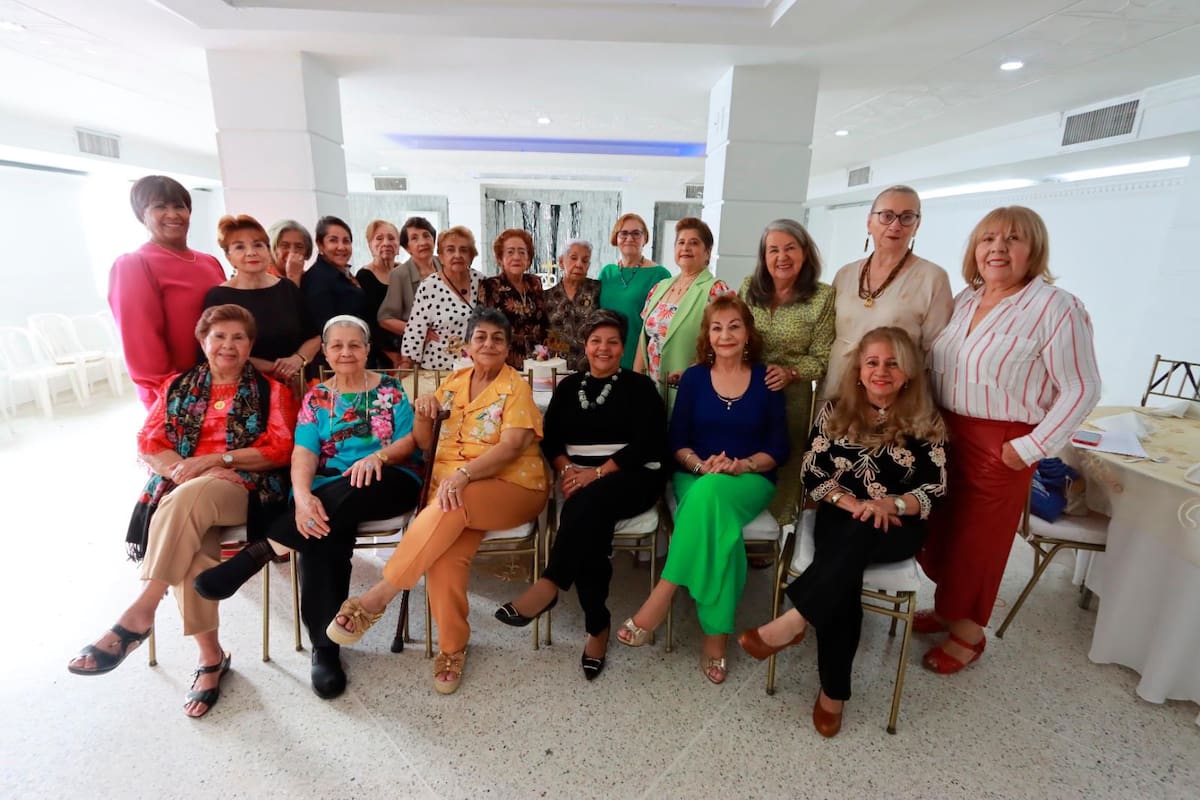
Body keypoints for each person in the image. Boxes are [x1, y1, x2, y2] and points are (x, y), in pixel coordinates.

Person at [66, 304, 294, 717]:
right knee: (195, 560)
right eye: (219, 336)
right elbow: (150, 440)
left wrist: (215, 462)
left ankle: (141, 611)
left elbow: (279, 449)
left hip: (243, 488)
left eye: (238, 337)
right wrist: (179, 469)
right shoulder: (177, 386)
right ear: (202, 341)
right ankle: (211, 660)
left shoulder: (271, 391)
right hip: (181, 492)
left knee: (191, 496)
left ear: (250, 345)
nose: (228, 345)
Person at [192, 315, 424, 699]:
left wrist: (377, 458)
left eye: (354, 345)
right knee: (320, 527)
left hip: (390, 479)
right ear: (327, 353)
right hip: (330, 492)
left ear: (367, 350)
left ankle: (263, 550)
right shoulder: (316, 398)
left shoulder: (392, 391)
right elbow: (304, 452)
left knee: (345, 492)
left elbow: (409, 443)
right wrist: (301, 497)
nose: (346, 352)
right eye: (337, 345)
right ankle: (325, 646)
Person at [324, 308, 549, 694]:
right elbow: (426, 444)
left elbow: (513, 446)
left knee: (450, 505)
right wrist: (425, 413)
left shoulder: (516, 387)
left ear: (509, 348)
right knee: (444, 557)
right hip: (456, 493)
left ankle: (377, 598)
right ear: (466, 346)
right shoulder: (453, 383)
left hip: (513, 487)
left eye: (498, 338)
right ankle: (452, 647)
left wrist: (463, 474)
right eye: (481, 337)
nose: (489, 344)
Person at [738, 327, 947, 737]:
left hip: (899, 524)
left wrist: (892, 504)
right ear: (858, 370)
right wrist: (852, 503)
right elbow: (811, 471)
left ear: (908, 373)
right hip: (841, 513)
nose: (881, 371)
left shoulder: (926, 420)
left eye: (892, 363)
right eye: (872, 362)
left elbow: (935, 487)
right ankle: (832, 694)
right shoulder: (834, 410)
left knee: (849, 550)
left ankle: (795, 620)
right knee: (844, 570)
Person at [919, 205, 1101, 674]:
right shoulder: (964, 299)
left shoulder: (1056, 307)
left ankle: (968, 633)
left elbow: (1082, 387)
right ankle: (947, 609)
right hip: (945, 433)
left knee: (978, 542)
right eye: (987, 239)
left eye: (1012, 239)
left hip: (1002, 442)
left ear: (1033, 249)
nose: (997, 248)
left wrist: (1031, 449)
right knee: (942, 529)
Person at [618, 295, 788, 684]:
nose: (725, 334)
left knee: (712, 500)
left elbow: (779, 449)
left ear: (748, 333)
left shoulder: (767, 380)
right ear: (707, 335)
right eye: (717, 327)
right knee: (721, 530)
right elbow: (677, 440)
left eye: (734, 326)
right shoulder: (694, 378)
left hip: (750, 479)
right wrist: (700, 465)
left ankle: (661, 596)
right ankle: (716, 639)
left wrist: (741, 464)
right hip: (695, 474)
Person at [495, 310, 668, 680]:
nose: (603, 348)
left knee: (586, 504)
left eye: (612, 341)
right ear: (585, 347)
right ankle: (597, 626)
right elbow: (551, 438)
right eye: (596, 341)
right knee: (588, 519)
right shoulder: (569, 387)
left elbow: (649, 443)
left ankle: (551, 583)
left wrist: (597, 473)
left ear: (623, 347)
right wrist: (567, 469)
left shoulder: (641, 387)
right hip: (579, 478)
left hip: (632, 475)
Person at [739, 219, 836, 524]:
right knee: (743, 454)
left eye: (790, 248)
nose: (781, 257)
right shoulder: (749, 288)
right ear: (763, 257)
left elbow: (822, 357)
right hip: (743, 391)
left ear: (805, 252)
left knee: (785, 460)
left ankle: (773, 533)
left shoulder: (822, 296)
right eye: (773, 250)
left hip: (791, 398)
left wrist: (792, 372)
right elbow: (730, 331)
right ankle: (741, 520)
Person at [108, 175, 226, 409]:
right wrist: (174, 393)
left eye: (179, 206)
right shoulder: (134, 264)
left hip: (222, 381)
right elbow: (141, 341)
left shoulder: (209, 261)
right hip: (175, 394)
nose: (172, 215)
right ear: (142, 214)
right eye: (160, 207)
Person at [825, 185, 953, 396]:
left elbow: (934, 354)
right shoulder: (845, 274)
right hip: (837, 389)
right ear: (869, 222)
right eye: (886, 216)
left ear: (917, 225)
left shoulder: (933, 278)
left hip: (892, 398)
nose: (895, 225)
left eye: (907, 217)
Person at [203, 214, 320, 387]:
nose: (251, 252)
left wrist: (297, 359)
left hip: (295, 385)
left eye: (258, 245)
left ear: (267, 249)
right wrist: (274, 368)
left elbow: (314, 337)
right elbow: (216, 350)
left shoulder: (287, 288)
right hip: (244, 390)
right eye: (239, 247)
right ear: (229, 257)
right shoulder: (219, 297)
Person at [636, 217, 733, 404]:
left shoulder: (717, 291)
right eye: (681, 242)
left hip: (690, 388)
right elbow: (644, 341)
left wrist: (697, 372)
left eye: (694, 243)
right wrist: (635, 382)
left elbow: (731, 344)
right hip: (651, 389)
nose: (686, 248)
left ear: (707, 252)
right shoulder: (660, 287)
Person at [399, 226, 484, 370]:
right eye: (450, 250)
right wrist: (407, 366)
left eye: (463, 250)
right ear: (441, 256)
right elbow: (414, 331)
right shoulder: (429, 286)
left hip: (475, 369)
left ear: (471, 255)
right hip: (438, 369)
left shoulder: (481, 281)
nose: (457, 255)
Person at [598, 213, 669, 370]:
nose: (629, 238)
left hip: (640, 358)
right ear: (616, 238)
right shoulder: (607, 273)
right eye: (623, 233)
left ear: (645, 238)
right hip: (605, 356)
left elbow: (662, 325)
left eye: (636, 233)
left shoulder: (659, 275)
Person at [301, 215, 370, 373]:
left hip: (355, 356)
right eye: (333, 240)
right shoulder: (318, 279)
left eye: (346, 241)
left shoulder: (342, 274)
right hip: (338, 365)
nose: (341, 247)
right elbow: (326, 329)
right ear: (320, 244)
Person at [478, 228, 549, 368]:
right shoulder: (489, 286)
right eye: (510, 252)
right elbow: (482, 327)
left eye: (522, 252)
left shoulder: (535, 283)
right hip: (502, 362)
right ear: (500, 258)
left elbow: (544, 322)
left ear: (528, 259)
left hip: (536, 362)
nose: (516, 257)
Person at [378, 216, 441, 342]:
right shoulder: (399, 275)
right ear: (407, 248)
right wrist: (420, 331)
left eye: (426, 235)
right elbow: (385, 318)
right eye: (414, 238)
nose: (422, 242)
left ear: (433, 239)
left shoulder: (445, 264)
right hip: (419, 346)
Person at [543, 239, 601, 371]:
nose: (579, 264)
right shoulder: (547, 296)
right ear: (561, 262)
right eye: (573, 258)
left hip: (590, 368)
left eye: (585, 261)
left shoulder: (597, 290)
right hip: (556, 370)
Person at [356, 219, 404, 366]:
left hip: (409, 347)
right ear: (370, 245)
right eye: (379, 238)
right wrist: (392, 355)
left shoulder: (404, 272)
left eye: (391, 238)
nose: (386, 243)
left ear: (398, 245)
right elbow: (370, 322)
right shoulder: (364, 276)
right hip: (380, 353)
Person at [267, 219, 314, 286]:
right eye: (284, 246)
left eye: (299, 246)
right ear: (271, 249)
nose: (292, 252)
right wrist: (293, 277)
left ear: (307, 252)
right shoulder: (261, 279)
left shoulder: (311, 279)